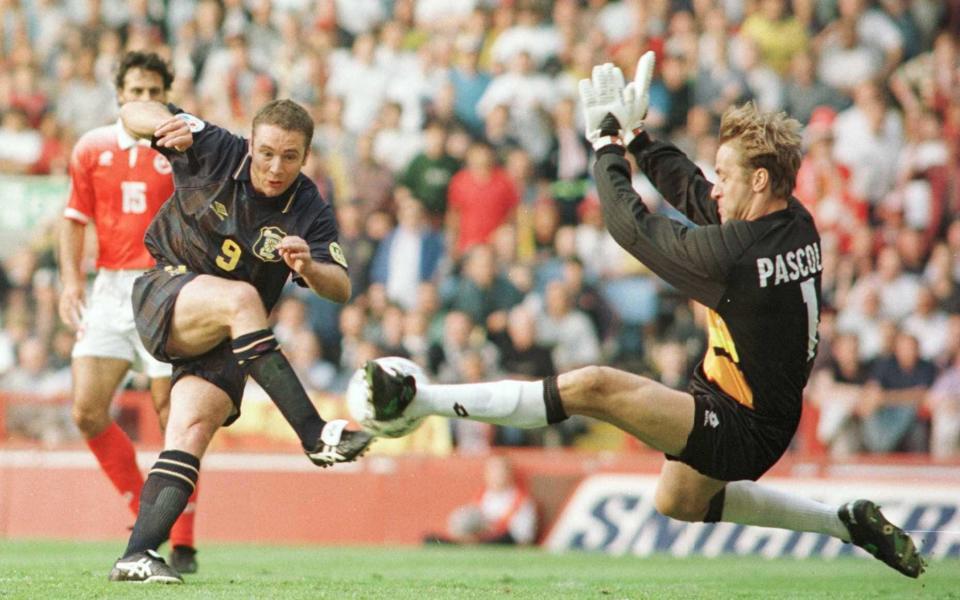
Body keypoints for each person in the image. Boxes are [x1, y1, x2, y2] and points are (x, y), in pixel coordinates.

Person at [364, 58, 924, 578]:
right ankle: (843, 521)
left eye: (726, 173)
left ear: (758, 180)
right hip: (751, 402)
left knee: (595, 386)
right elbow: (696, 193)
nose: (716, 183)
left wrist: (605, 145)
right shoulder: (793, 220)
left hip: (744, 421)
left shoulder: (733, 260)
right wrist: (640, 140)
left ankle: (418, 399)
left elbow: (632, 228)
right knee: (675, 501)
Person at [106, 97, 372, 583]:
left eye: (290, 156)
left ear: (305, 156)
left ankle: (137, 555)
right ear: (250, 144)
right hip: (166, 291)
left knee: (189, 433)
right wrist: (168, 127)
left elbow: (342, 286)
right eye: (267, 152)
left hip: (228, 336)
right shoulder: (215, 147)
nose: (275, 167)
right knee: (243, 298)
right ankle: (313, 434)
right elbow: (132, 110)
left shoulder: (308, 206)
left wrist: (310, 267)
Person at [58, 51, 201, 574]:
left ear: (166, 94)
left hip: (166, 286)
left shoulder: (183, 144)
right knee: (86, 410)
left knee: (173, 414)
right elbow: (73, 218)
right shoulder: (91, 147)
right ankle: (144, 508)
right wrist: (71, 279)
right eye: (135, 91)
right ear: (120, 94)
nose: (143, 100)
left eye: (153, 92)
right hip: (110, 290)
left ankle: (181, 540)